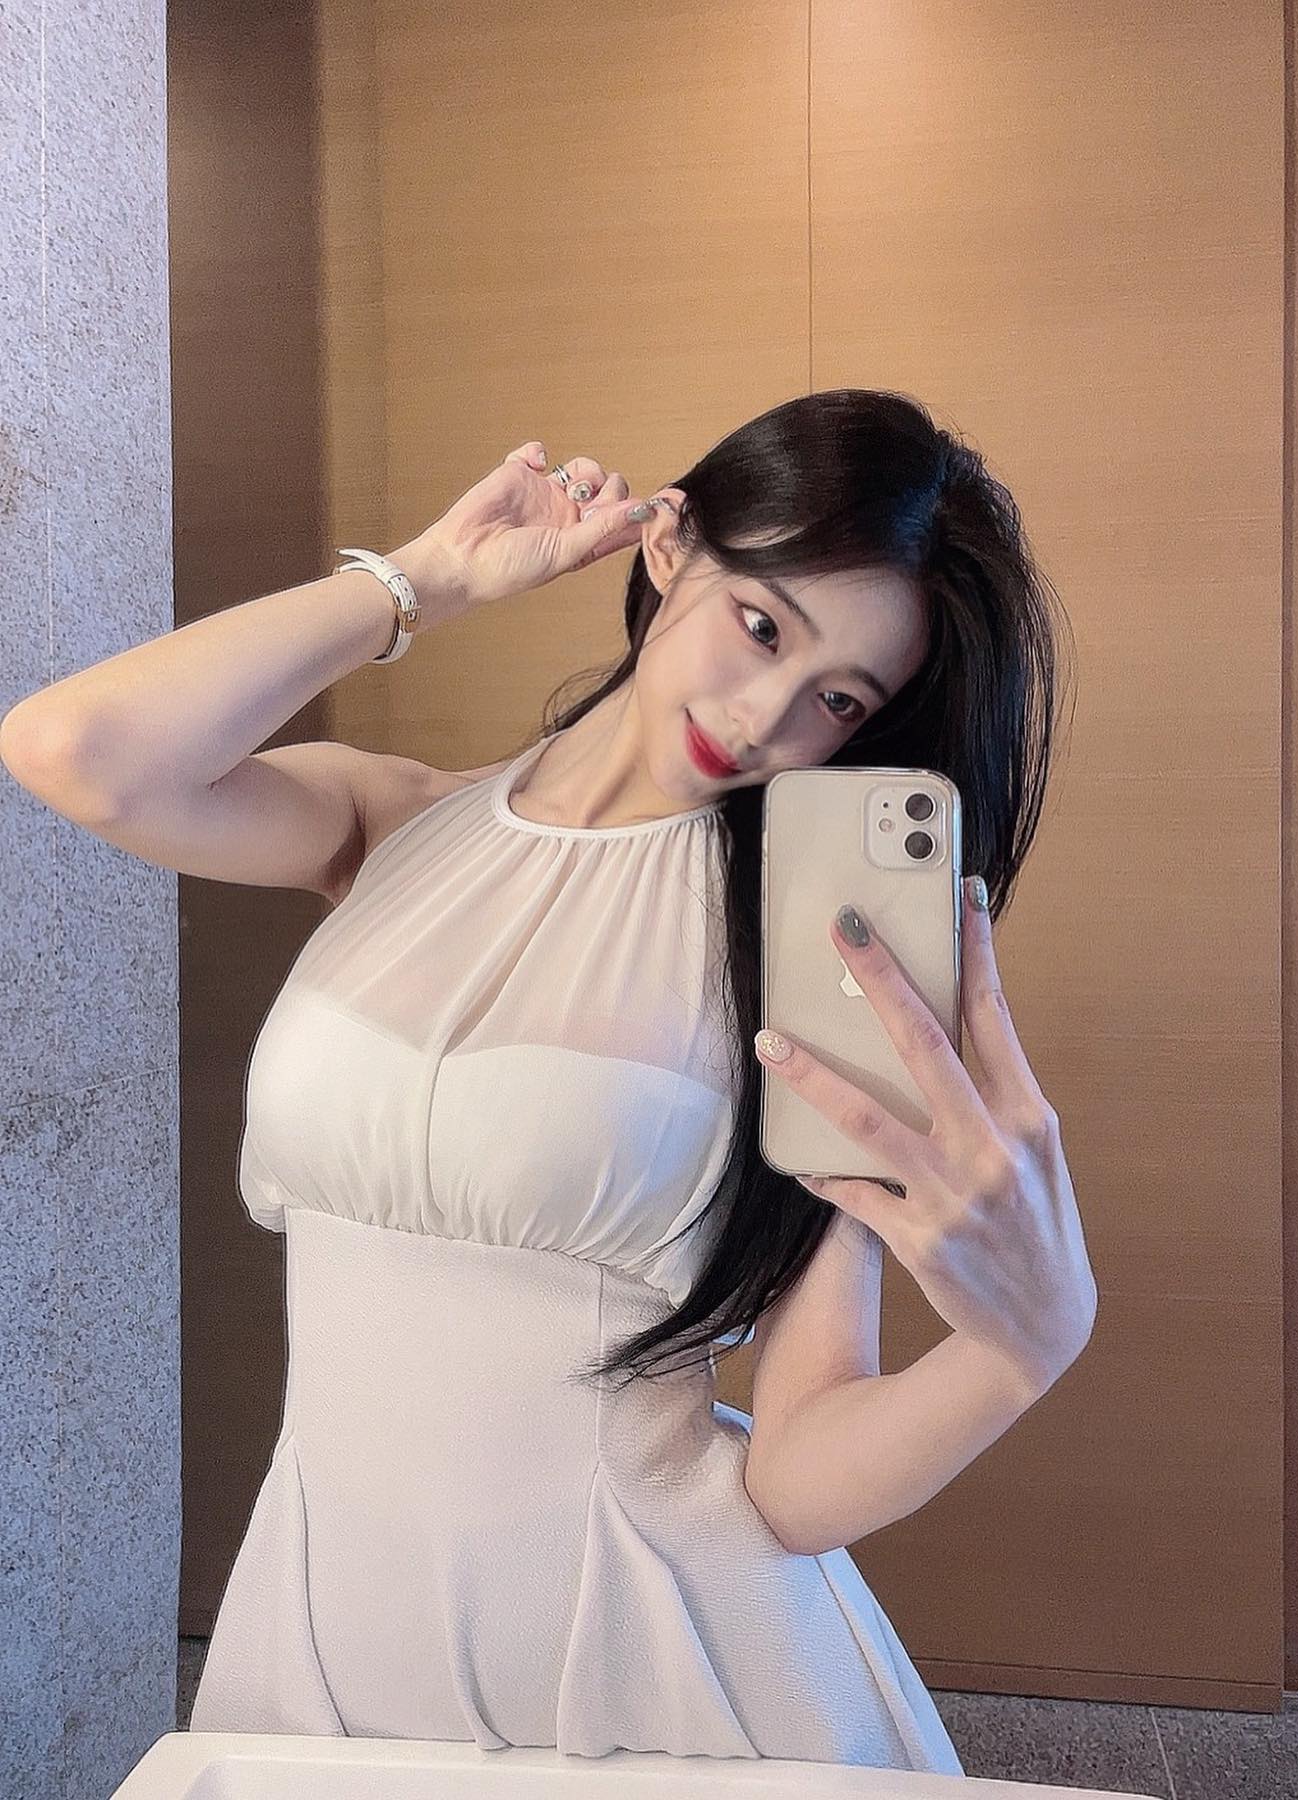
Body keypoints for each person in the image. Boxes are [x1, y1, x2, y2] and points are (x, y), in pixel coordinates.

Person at [0, 387, 1077, 1773]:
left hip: (647, 1661)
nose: (766, 715)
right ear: (670, 543)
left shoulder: (816, 963)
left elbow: (798, 1476)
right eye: (763, 627)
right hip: (327, 1621)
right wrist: (422, 581)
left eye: (838, 700)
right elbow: (75, 751)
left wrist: (1020, 1351)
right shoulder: (389, 821)